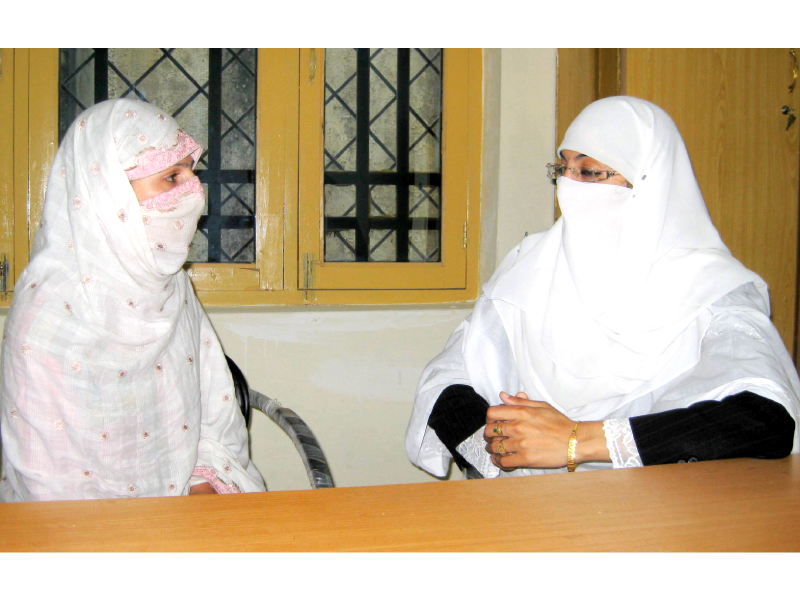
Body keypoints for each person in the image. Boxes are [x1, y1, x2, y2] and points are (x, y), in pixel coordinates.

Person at [406, 96, 799, 479]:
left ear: (650, 182)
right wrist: (497, 450)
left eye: (590, 172)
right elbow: (448, 377)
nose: (570, 188)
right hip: (523, 503)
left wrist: (577, 441)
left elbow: (765, 416)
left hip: (656, 508)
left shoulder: (711, 287)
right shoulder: (533, 264)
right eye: (563, 169)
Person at [0, 99, 266, 501]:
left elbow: (213, 408)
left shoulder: (172, 286)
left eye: (192, 175)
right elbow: (49, 483)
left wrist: (202, 487)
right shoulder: (48, 318)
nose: (194, 195)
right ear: (111, 195)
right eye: (172, 179)